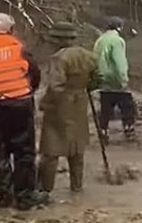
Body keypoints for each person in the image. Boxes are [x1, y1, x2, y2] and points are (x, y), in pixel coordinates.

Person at [0, 13, 47, 210]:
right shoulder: (18, 50)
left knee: (0, 150)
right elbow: (35, 75)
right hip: (20, 104)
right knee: (24, 151)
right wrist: (28, 91)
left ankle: (5, 196)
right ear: (11, 29)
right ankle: (24, 197)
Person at [37, 22, 97, 194]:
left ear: (57, 40)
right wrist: (87, 88)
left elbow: (55, 86)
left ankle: (44, 190)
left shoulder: (59, 58)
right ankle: (77, 187)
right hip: (80, 102)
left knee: (51, 150)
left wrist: (45, 103)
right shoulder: (87, 55)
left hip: (61, 105)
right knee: (77, 148)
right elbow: (98, 77)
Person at [94, 17, 137, 142]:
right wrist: (123, 78)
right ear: (119, 27)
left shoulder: (100, 40)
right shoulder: (117, 41)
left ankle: (103, 131)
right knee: (127, 106)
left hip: (102, 80)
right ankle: (129, 130)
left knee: (105, 109)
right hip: (115, 81)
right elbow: (119, 62)